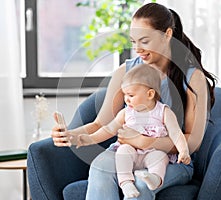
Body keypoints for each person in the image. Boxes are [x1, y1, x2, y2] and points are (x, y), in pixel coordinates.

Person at [51, 2, 216, 200]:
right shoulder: (126, 71)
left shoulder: (192, 77)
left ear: (167, 35)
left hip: (172, 160)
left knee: (141, 183)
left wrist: (147, 141)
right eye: (133, 41)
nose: (138, 49)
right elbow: (101, 123)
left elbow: (193, 141)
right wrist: (69, 134)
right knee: (100, 168)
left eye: (144, 41)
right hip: (128, 153)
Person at [67, 64, 191, 198]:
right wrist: (89, 139)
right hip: (131, 152)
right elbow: (108, 129)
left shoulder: (164, 112)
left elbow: (176, 133)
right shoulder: (126, 113)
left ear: (150, 94)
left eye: (131, 95)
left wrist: (183, 151)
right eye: (125, 94)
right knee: (123, 152)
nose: (126, 99)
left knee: (160, 158)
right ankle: (126, 182)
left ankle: (155, 179)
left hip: (153, 152)